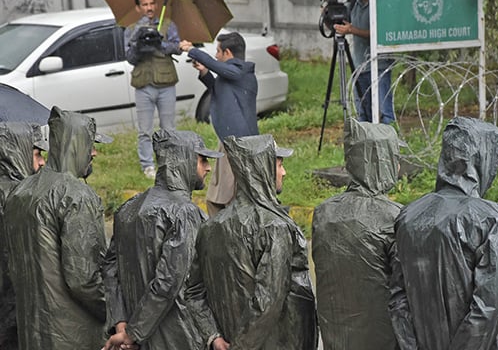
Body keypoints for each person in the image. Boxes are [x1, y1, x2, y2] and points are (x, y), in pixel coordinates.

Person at [389, 117, 498, 350]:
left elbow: (398, 299)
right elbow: (491, 309)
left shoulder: (409, 215)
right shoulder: (491, 220)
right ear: (482, 160)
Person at [188, 134, 318, 349]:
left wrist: (214, 336)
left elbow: (193, 292)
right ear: (263, 169)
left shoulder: (211, 227)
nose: (284, 172)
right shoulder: (274, 227)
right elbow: (268, 299)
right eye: (279, 165)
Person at [101, 130, 226, 350]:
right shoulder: (185, 213)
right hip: (178, 338)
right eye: (202, 159)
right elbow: (168, 282)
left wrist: (122, 324)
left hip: (137, 335)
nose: (208, 167)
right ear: (183, 160)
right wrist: (132, 334)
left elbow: (110, 271)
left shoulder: (128, 208)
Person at [2, 106, 112, 350]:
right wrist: (117, 312)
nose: (94, 153)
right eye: (91, 144)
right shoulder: (76, 195)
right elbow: (83, 278)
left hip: (32, 330)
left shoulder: (20, 191)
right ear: (76, 144)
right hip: (73, 334)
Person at [312, 118, 401, 349]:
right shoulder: (394, 217)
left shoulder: (324, 213)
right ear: (382, 162)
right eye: (395, 159)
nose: (398, 167)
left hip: (336, 338)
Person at [180, 32, 259, 216]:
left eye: (218, 51)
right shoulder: (230, 75)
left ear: (228, 53)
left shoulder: (241, 72)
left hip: (240, 145)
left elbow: (220, 68)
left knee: (229, 198)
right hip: (227, 142)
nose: (216, 56)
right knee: (216, 197)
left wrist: (193, 50)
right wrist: (204, 71)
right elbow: (218, 89)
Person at [124, 0, 181, 179]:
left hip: (166, 83)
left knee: (168, 128)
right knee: (145, 130)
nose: (149, 8)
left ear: (156, 5)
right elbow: (129, 58)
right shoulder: (131, 29)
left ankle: (169, 163)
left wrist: (159, 44)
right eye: (144, 4)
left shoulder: (167, 24)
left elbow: (177, 47)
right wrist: (140, 45)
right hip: (143, 84)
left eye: (151, 3)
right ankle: (148, 165)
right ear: (138, 7)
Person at [0, 122, 47, 350]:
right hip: (14, 310)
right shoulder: (18, 196)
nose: (41, 162)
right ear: (15, 152)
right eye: (37, 154)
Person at [334, 0, 395, 124]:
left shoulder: (379, 3)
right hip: (359, 65)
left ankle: (387, 145)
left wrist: (352, 30)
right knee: (363, 114)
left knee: (383, 114)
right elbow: (343, 23)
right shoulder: (354, 3)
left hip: (379, 65)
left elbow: (379, 34)